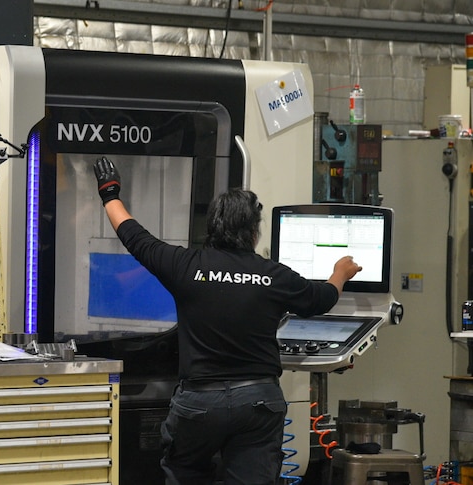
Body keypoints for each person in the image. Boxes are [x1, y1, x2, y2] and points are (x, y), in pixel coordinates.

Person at [93, 156, 362, 485]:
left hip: (198, 405)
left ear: (213, 227)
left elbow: (135, 237)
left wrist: (110, 193)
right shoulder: (273, 275)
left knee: (184, 474)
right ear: (253, 232)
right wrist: (340, 274)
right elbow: (322, 299)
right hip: (258, 403)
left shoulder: (186, 266)